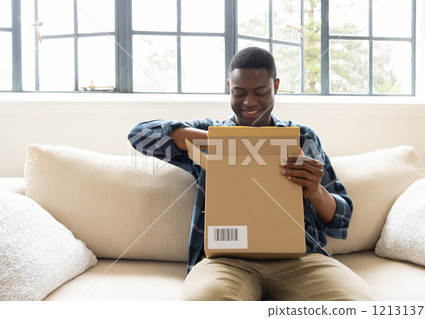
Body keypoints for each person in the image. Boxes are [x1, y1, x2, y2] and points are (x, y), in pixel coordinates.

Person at [128, 47, 374, 301]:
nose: (249, 102)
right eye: (239, 92)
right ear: (229, 87)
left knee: (357, 305)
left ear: (275, 86)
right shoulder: (209, 133)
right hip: (225, 262)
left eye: (260, 92)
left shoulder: (302, 137)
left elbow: (341, 219)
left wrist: (315, 190)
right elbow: (139, 135)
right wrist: (218, 142)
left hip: (301, 259)